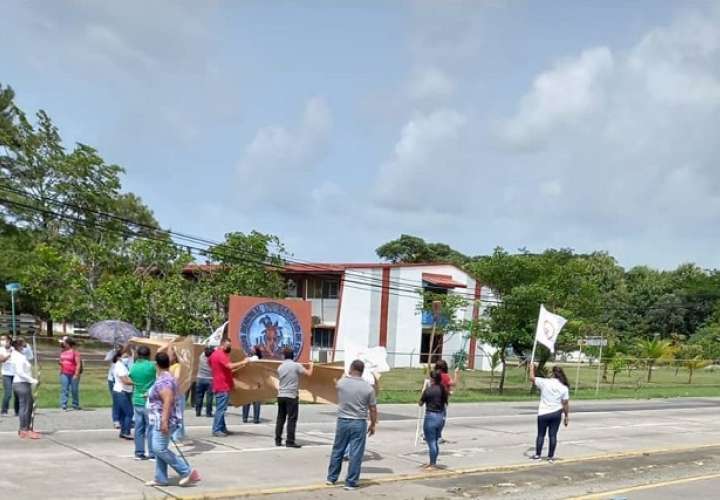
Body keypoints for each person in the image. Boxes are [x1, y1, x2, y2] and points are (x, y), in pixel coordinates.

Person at [145, 351, 201, 487]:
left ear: (157, 365)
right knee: (160, 449)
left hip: (164, 420)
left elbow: (168, 401)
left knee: (158, 448)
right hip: (160, 418)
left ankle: (186, 471)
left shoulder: (164, 381)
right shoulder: (165, 377)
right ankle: (160, 478)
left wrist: (164, 421)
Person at [326, 359, 377, 491]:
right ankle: (351, 482)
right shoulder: (368, 388)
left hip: (343, 420)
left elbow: (335, 384)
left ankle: (332, 478)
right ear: (362, 371)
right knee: (356, 453)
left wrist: (345, 373)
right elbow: (373, 408)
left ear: (351, 368)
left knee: (338, 449)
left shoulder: (342, 383)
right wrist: (373, 424)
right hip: (359, 421)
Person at [529, 364, 570, 463]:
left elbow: (532, 378)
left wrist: (531, 369)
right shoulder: (564, 388)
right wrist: (566, 416)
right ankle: (550, 456)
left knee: (541, 435)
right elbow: (565, 404)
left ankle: (538, 455)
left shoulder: (545, 382)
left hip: (543, 412)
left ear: (552, 373)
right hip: (556, 413)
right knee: (553, 435)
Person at [208, 338, 249, 437]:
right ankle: (216, 429)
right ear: (222, 344)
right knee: (221, 409)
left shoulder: (214, 355)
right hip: (222, 385)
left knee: (221, 408)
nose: (229, 347)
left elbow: (213, 365)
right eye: (228, 345)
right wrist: (243, 362)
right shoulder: (221, 354)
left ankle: (222, 428)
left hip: (219, 384)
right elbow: (229, 366)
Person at [276, 347, 313, 448]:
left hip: (281, 395)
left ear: (284, 356)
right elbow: (309, 374)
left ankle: (278, 440)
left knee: (280, 418)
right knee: (291, 419)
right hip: (291, 395)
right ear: (293, 355)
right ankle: (290, 441)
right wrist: (311, 365)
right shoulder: (296, 366)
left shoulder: (280, 367)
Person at [10, 338, 40, 439]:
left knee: (28, 405)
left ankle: (25, 428)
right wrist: (32, 380)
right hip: (21, 383)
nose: (25, 348)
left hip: (23, 383)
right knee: (26, 407)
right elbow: (20, 372)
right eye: (23, 346)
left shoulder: (19, 356)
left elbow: (30, 357)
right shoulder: (18, 357)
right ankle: (24, 429)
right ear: (19, 346)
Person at [129, 345, 156, 460]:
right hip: (149, 399)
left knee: (139, 427)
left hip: (137, 399)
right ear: (149, 355)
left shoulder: (134, 367)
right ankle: (152, 453)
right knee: (151, 428)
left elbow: (131, 378)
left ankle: (139, 452)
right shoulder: (151, 366)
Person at [419, 370, 448, 470]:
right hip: (440, 416)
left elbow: (420, 403)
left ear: (432, 379)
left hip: (431, 416)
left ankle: (432, 463)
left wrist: (423, 390)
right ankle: (433, 461)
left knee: (431, 441)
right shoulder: (443, 389)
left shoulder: (429, 390)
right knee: (435, 440)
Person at [112, 346, 134, 440]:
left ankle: (123, 431)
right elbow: (124, 380)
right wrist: (137, 382)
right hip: (121, 391)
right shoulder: (119, 366)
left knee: (124, 413)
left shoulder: (123, 365)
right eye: (125, 356)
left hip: (125, 390)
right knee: (129, 412)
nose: (127, 358)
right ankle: (126, 431)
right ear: (119, 357)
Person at [434, 359, 459, 444]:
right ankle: (438, 436)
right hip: (441, 401)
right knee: (441, 419)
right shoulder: (445, 376)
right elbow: (454, 383)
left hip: (432, 399)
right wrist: (456, 373)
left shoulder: (434, 375)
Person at [58, 337, 82, 411]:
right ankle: (63, 404)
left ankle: (75, 404)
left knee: (74, 389)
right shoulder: (62, 351)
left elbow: (78, 364)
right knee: (64, 389)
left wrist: (76, 374)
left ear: (68, 343)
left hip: (73, 373)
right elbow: (61, 360)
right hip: (64, 373)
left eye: (64, 342)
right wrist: (60, 365)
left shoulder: (75, 352)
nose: (62, 343)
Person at [242, 346, 263, 424]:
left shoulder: (248, 360)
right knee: (256, 402)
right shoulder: (261, 361)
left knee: (246, 400)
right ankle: (256, 419)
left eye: (252, 349)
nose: (250, 350)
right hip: (257, 382)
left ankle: (245, 418)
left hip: (248, 381)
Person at [0, 335, 19, 417]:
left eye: (4, 339)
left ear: (9, 341)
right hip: (6, 374)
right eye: (1, 340)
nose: (2, 341)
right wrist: (9, 354)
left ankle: (17, 411)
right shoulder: (1, 349)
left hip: (15, 373)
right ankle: (4, 410)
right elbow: (2, 360)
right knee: (8, 393)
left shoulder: (14, 349)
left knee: (17, 393)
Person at [195, 346, 214, 418]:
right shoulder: (212, 360)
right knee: (209, 397)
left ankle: (198, 411)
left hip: (200, 378)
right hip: (210, 379)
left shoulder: (201, 356)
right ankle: (208, 413)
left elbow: (205, 351)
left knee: (199, 396)